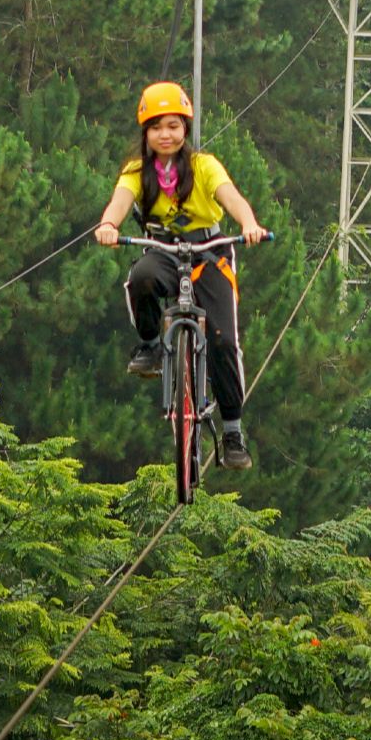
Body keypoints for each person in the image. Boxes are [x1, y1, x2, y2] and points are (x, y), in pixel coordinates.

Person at [92, 81, 270, 470]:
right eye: (157, 127)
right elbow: (119, 202)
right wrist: (108, 225)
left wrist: (249, 223)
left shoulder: (204, 166)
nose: (166, 135)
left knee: (223, 341)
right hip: (165, 252)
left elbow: (231, 197)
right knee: (141, 278)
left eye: (173, 126)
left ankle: (232, 433)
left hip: (209, 253)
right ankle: (151, 345)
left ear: (185, 128)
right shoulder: (136, 172)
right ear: (145, 133)